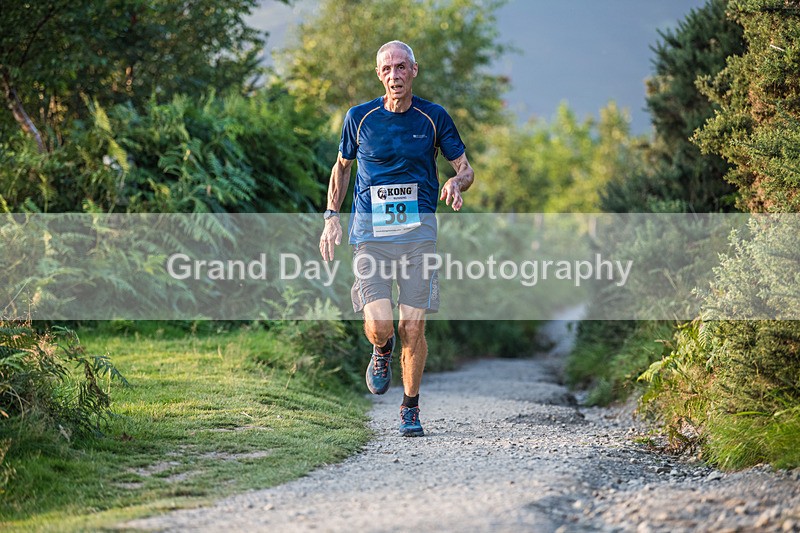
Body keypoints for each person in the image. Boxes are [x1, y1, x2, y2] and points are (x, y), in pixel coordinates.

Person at [319, 40, 474, 437]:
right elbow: (341, 168)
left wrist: (457, 182)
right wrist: (331, 217)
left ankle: (410, 408)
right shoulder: (360, 117)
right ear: (378, 75)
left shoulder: (433, 117)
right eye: (387, 69)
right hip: (370, 236)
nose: (395, 75)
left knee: (414, 328)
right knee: (382, 326)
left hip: (419, 236)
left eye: (401, 67)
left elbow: (465, 168)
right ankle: (381, 350)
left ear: (414, 71)